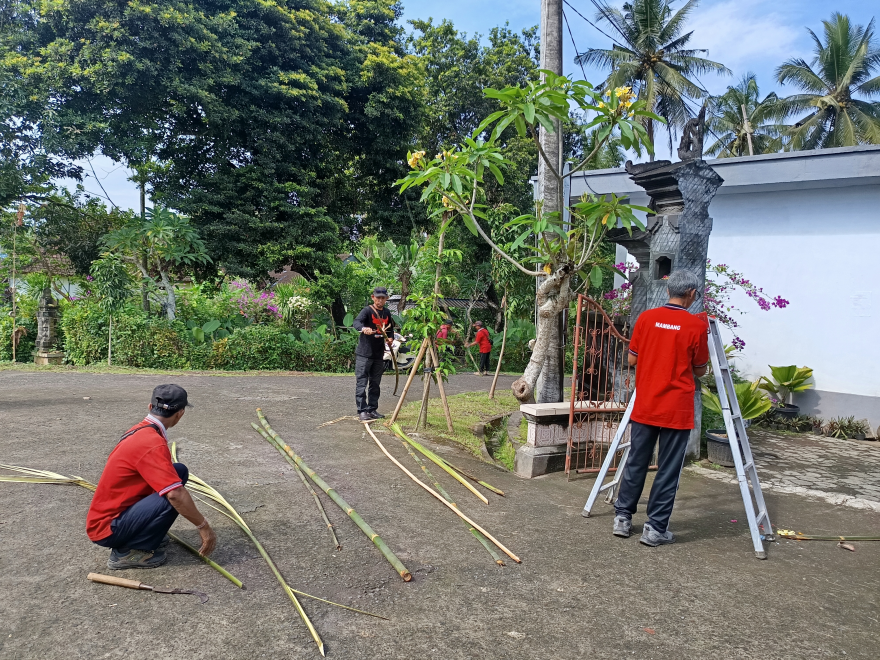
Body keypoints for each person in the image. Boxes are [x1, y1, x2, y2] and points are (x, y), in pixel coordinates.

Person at [612, 270, 709, 547]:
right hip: (676, 410)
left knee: (636, 461)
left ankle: (622, 518)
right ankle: (654, 529)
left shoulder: (646, 318)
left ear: (669, 291)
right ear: (691, 293)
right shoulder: (696, 327)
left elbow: (632, 360)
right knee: (668, 469)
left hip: (646, 404)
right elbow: (700, 370)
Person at [86, 384, 217, 569]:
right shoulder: (151, 443)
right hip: (106, 528)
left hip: (111, 516)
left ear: (150, 407)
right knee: (174, 495)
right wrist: (204, 526)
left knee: (178, 471)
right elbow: (175, 495)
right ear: (180, 413)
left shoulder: (142, 430)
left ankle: (143, 535)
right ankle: (129, 552)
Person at [352, 287, 395, 422]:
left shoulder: (387, 313)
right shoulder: (367, 311)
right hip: (364, 354)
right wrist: (363, 328)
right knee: (362, 382)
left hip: (378, 354)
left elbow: (390, 330)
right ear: (373, 297)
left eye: (383, 298)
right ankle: (362, 410)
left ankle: (372, 409)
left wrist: (390, 338)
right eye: (378, 297)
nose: (380, 300)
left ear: (386, 299)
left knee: (375, 383)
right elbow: (356, 322)